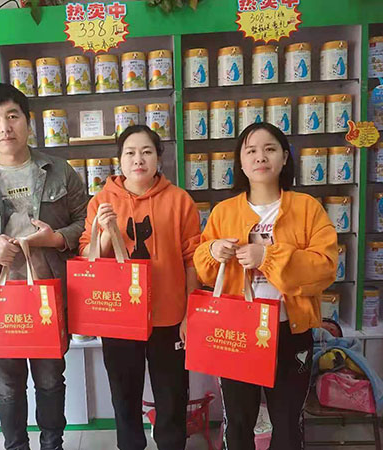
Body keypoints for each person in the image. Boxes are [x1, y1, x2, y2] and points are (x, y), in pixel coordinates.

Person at [0, 82, 87, 450]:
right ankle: (15, 446)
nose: (4, 127)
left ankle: (52, 444)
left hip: (49, 298)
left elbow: (84, 223)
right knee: (7, 385)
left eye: (12, 116)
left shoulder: (59, 171)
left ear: (28, 121)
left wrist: (56, 239)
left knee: (50, 380)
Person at [193, 122, 338, 450]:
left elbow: (325, 268)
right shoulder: (224, 212)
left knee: (287, 422)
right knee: (238, 421)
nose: (261, 157)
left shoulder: (307, 208)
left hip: (291, 330)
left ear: (285, 158)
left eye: (270, 149)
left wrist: (268, 257)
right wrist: (212, 250)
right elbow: (203, 269)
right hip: (236, 332)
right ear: (241, 163)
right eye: (251, 151)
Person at [78, 125, 202, 450]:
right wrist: (105, 233)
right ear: (119, 159)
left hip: (169, 317)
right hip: (119, 319)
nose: (138, 159)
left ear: (158, 157)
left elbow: (193, 260)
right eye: (130, 153)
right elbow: (88, 260)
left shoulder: (180, 201)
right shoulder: (101, 202)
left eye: (146, 152)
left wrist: (190, 313)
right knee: (124, 394)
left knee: (172, 395)